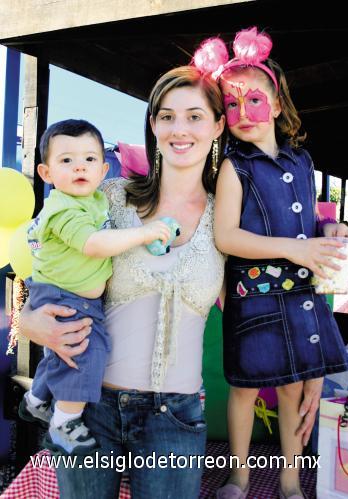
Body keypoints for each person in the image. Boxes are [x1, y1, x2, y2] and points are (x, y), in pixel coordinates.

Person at [18, 66, 226, 498]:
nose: (179, 129)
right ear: (152, 124)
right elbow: (44, 259)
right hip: (88, 407)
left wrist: (333, 234)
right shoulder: (109, 197)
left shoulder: (229, 214)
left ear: (218, 125)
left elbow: (274, 290)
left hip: (176, 416)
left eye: (194, 115)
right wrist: (29, 320)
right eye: (166, 116)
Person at [194, 27, 348, 499]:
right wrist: (294, 249)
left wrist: (327, 232)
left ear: (278, 105)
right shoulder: (232, 167)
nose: (244, 113)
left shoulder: (302, 161)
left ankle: (287, 476)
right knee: (243, 390)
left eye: (255, 100)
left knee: (290, 389)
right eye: (232, 104)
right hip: (253, 298)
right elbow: (227, 235)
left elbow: (307, 221)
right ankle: (239, 474)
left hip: (301, 296)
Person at [19, 119, 171, 455]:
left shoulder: (97, 198)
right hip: (65, 296)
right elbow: (92, 243)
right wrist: (145, 234)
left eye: (89, 159)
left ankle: (37, 398)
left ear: (104, 169)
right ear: (46, 174)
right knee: (86, 355)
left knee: (62, 353)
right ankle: (63, 425)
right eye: (66, 160)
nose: (79, 167)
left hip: (69, 294)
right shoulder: (62, 208)